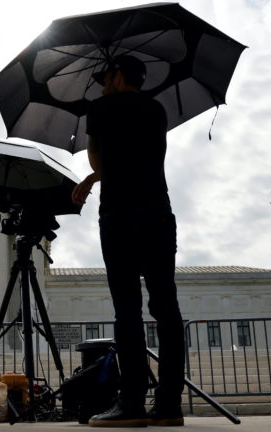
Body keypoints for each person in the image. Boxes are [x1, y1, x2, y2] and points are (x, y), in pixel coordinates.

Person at [72, 55, 185, 427]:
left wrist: (91, 177)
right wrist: (94, 177)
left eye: (106, 78)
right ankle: (169, 405)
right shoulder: (157, 111)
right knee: (166, 309)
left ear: (118, 76)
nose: (103, 86)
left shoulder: (100, 108)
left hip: (119, 214)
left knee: (127, 310)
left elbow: (99, 161)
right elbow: (140, 159)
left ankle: (131, 402)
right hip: (158, 212)